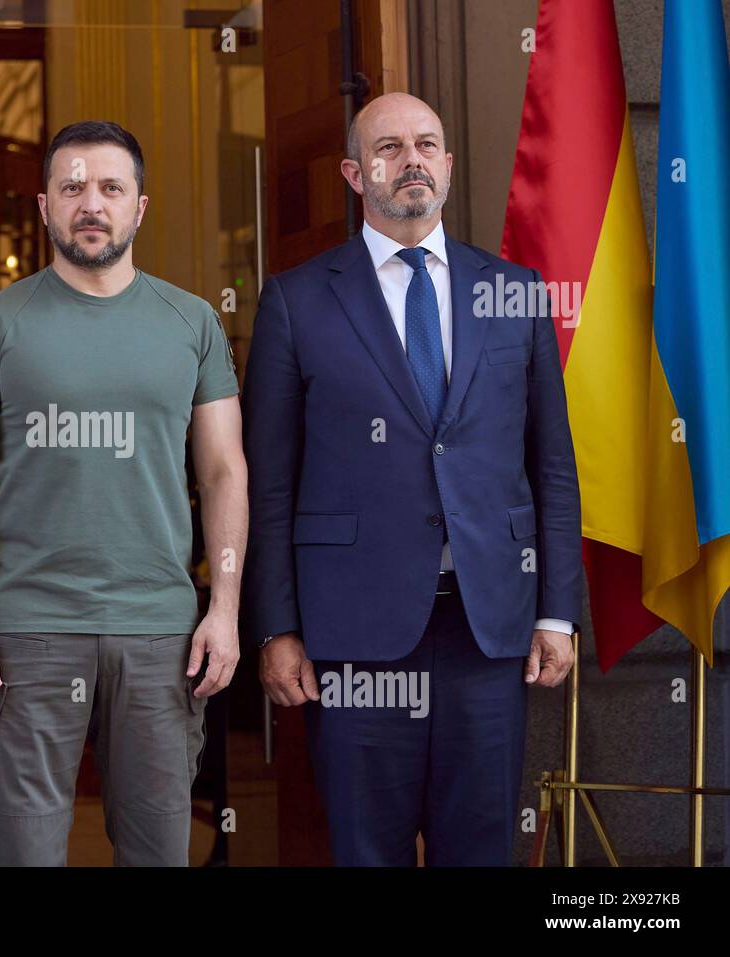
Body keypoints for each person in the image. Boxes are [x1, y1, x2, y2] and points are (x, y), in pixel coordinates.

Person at [242, 93, 582, 865]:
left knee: (481, 848)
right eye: (390, 148)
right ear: (356, 173)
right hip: (352, 636)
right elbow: (272, 484)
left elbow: (552, 467)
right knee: (367, 849)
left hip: (487, 629)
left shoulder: (516, 293)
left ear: (450, 166)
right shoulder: (297, 300)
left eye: (427, 144)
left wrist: (558, 612)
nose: (412, 160)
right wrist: (278, 626)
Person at [0, 120, 247, 866]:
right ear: (44, 205)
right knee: (26, 852)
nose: (91, 203)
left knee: (156, 854)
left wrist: (226, 611)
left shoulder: (194, 322)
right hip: (27, 632)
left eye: (111, 187)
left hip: (159, 631)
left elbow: (225, 471)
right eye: (72, 186)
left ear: (140, 207)